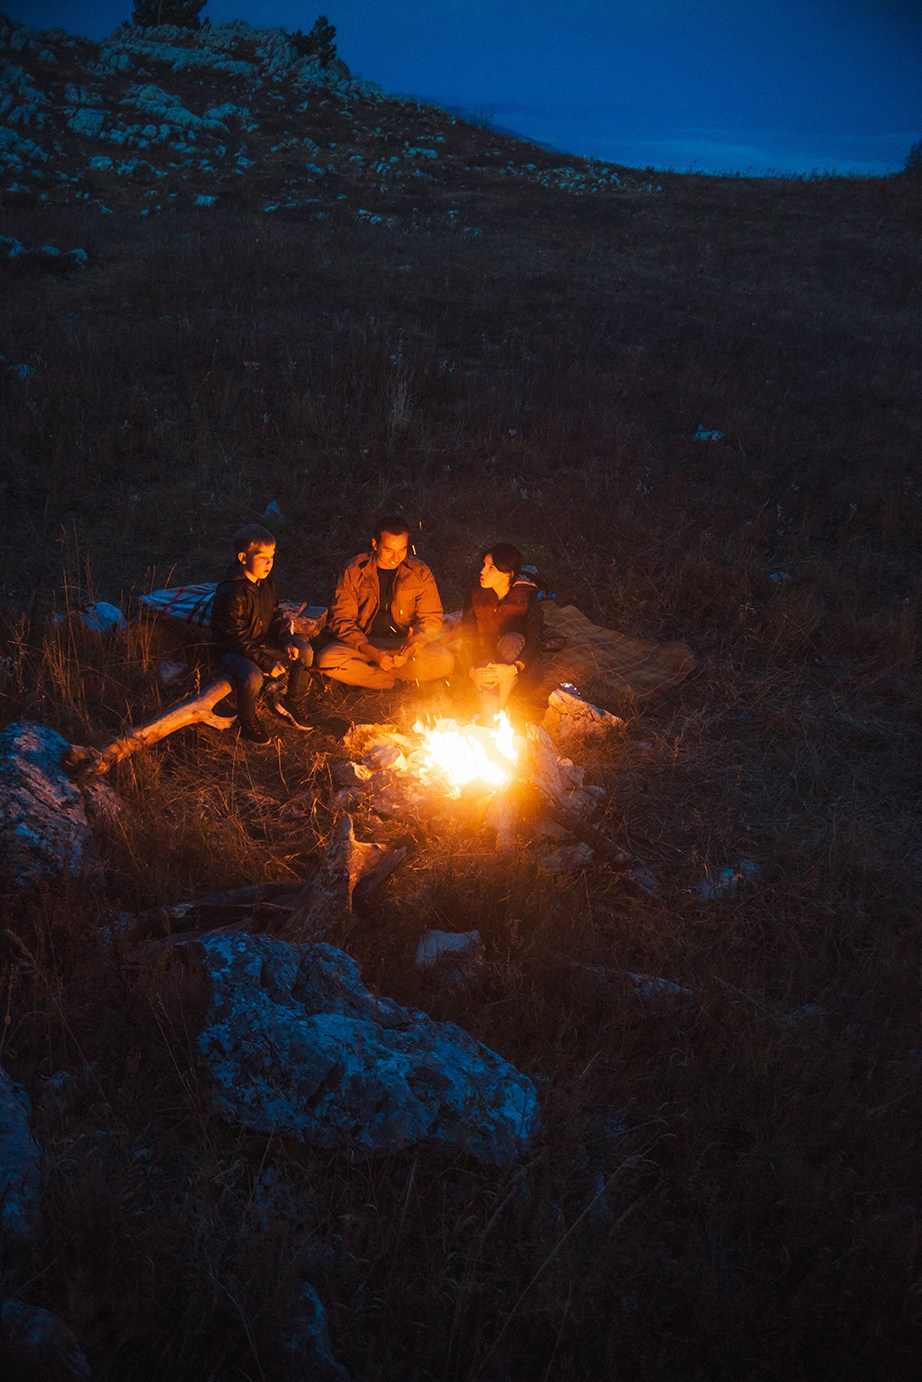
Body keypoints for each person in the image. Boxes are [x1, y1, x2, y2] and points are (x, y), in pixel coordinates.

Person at [315, 515, 454, 689]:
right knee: (327, 659)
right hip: (364, 642)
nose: (396, 557)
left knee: (445, 661)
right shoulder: (354, 570)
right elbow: (341, 619)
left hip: (403, 645)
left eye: (402, 550)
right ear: (375, 544)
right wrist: (372, 652)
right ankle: (392, 681)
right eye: (389, 550)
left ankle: (369, 674)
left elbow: (431, 618)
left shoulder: (420, 573)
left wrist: (412, 647)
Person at [211, 523, 314, 744]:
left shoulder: (266, 583)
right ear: (243, 558)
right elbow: (234, 637)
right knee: (252, 676)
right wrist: (267, 662)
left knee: (304, 650)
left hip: (258, 643)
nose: (269, 562)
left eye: (272, 556)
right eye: (262, 557)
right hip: (231, 650)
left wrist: (285, 641)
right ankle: (246, 718)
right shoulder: (232, 591)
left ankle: (291, 701)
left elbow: (275, 615)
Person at [462, 543, 542, 722]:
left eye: (491, 568)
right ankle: (494, 718)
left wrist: (514, 668)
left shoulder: (528, 595)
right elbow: (467, 636)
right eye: (484, 565)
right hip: (487, 660)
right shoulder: (476, 594)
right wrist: (472, 670)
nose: (482, 571)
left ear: (508, 574)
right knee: (487, 676)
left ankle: (499, 705)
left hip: (520, 669)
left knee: (511, 640)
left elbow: (535, 638)